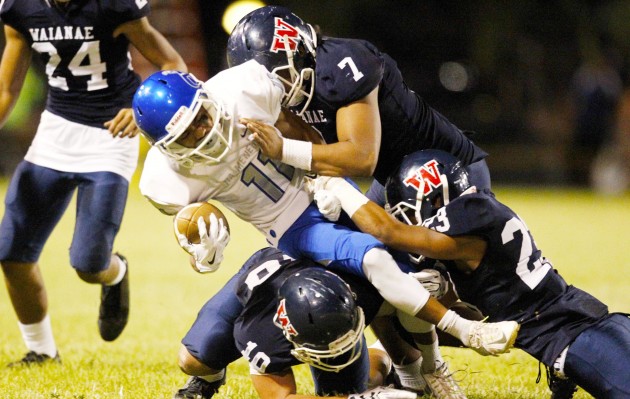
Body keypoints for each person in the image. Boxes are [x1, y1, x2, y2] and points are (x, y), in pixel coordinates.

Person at [132, 67, 518, 397]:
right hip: (289, 230)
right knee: (194, 358)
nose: (203, 132)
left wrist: (319, 174)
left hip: (322, 190)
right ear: (166, 148)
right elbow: (198, 220)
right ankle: (443, 345)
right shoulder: (166, 182)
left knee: (406, 270)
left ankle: (431, 361)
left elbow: (301, 130)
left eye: (200, 116)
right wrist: (205, 249)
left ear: (207, 97)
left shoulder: (242, 91)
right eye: (187, 135)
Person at [309, 149, 630, 399]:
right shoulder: (478, 205)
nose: (409, 219)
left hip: (564, 334)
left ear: (436, 199)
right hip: (570, 309)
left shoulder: (464, 227)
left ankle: (564, 368)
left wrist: (336, 183)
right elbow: (481, 298)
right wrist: (444, 288)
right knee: (411, 304)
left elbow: (389, 232)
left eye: (410, 210)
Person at [0, 0, 186, 366]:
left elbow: (172, 65)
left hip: (109, 136)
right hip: (55, 133)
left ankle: (115, 272)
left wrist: (141, 108)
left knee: (88, 264)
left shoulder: (113, 5)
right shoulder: (20, 8)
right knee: (10, 251)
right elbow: (8, 89)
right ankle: (41, 350)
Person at [227, 5, 491, 209]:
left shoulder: (341, 64)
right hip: (393, 178)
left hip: (447, 171)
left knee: (433, 274)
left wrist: (283, 149)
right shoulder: (289, 88)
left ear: (297, 53)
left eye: (275, 76)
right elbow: (315, 147)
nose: (273, 88)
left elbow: (361, 157)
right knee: (357, 256)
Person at [180, 246, 419, 399]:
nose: (336, 351)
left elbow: (409, 310)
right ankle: (208, 379)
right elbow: (280, 397)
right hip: (261, 288)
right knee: (194, 359)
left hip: (325, 293)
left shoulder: (365, 287)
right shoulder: (261, 333)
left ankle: (380, 354)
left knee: (358, 384)